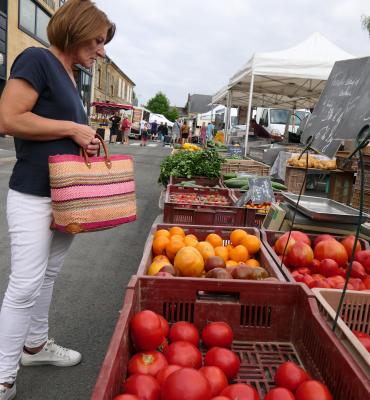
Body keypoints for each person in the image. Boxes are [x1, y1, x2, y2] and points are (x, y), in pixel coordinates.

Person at [0, 1, 115, 398]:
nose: (101, 50)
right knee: (26, 283)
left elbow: (57, 133)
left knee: (47, 276)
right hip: (34, 193)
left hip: (67, 196)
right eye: (98, 40)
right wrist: (73, 127)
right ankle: (2, 375)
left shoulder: (69, 75)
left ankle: (34, 345)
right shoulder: (36, 59)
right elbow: (9, 118)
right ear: (76, 29)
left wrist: (84, 138)